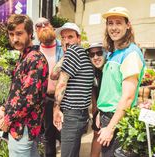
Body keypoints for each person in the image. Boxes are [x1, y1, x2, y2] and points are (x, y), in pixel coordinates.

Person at [96, 7, 145, 157]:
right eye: (110, 23)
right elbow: (111, 89)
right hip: (108, 116)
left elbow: (128, 97)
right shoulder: (113, 53)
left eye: (118, 23)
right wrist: (100, 111)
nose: (114, 28)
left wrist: (110, 128)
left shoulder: (130, 53)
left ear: (127, 25)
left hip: (118, 120)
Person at [0, 14, 48, 157]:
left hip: (23, 127)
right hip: (21, 126)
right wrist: (3, 107)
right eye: (11, 34)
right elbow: (17, 92)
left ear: (30, 33)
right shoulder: (25, 57)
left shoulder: (35, 59)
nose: (14, 39)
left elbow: (28, 98)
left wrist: (7, 119)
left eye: (19, 33)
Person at [52, 22, 94, 157]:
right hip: (80, 114)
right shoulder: (78, 53)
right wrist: (65, 55)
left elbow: (61, 83)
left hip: (72, 115)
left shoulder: (73, 52)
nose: (66, 41)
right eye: (63, 38)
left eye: (70, 37)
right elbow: (53, 75)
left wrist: (56, 109)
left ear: (78, 38)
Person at [35, 17, 63, 157]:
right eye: (39, 25)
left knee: (65, 135)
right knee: (48, 134)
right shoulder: (34, 52)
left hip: (64, 98)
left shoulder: (63, 47)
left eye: (46, 23)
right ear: (36, 31)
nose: (43, 26)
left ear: (52, 26)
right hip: (45, 99)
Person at [86, 42, 106, 157]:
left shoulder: (110, 68)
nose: (95, 57)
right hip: (99, 109)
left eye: (99, 53)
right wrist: (95, 112)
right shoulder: (94, 71)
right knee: (97, 135)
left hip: (111, 111)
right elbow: (94, 93)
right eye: (92, 54)